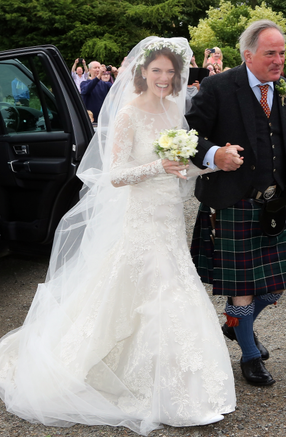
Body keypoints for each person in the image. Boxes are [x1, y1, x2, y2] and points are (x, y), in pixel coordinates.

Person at [0, 37, 236, 436]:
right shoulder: (128, 113)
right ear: (142, 72)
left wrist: (215, 164)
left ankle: (190, 388)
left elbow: (180, 168)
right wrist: (156, 167)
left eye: (170, 72)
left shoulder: (174, 113)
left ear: (178, 77)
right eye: (156, 71)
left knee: (174, 289)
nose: (163, 78)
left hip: (168, 217)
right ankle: (159, 390)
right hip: (139, 218)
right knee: (153, 292)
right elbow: (113, 175)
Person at [186, 20, 286, 387]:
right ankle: (249, 356)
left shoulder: (285, 89)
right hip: (232, 203)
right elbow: (189, 135)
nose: (279, 60)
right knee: (242, 288)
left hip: (275, 202)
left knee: (277, 285)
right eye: (270, 53)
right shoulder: (218, 86)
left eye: (282, 53)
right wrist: (214, 154)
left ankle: (236, 323)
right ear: (248, 55)